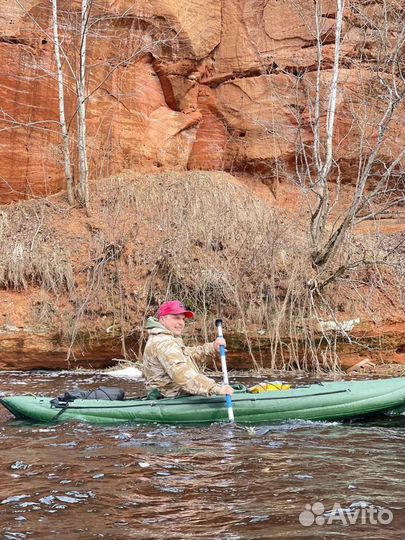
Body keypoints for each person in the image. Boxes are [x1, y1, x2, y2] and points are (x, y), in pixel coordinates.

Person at [142, 300, 234, 398]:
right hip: (171, 398)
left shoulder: (167, 338)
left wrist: (212, 347)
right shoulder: (163, 343)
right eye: (176, 318)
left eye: (183, 319)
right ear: (162, 319)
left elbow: (187, 355)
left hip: (176, 395)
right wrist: (214, 388)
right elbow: (182, 375)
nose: (181, 323)